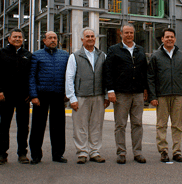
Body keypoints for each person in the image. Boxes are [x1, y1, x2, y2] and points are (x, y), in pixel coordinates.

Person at [103, 24, 149, 164]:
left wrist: (145, 89)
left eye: (131, 33)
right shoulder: (114, 50)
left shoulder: (140, 50)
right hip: (121, 93)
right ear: (121, 34)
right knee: (120, 124)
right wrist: (110, 90)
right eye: (126, 33)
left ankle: (137, 152)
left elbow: (144, 71)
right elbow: (108, 71)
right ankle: (121, 153)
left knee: (137, 124)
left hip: (138, 93)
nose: (129, 35)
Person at [147, 28, 182, 163]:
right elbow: (150, 77)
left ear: (175, 39)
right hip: (161, 96)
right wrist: (153, 96)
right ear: (162, 39)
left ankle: (177, 152)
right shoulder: (155, 56)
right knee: (161, 125)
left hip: (178, 95)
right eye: (167, 37)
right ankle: (163, 151)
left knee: (177, 125)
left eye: (172, 37)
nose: (169, 39)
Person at [65, 28, 109, 164]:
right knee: (80, 125)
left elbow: (107, 77)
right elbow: (69, 77)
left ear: (95, 39)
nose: (90, 38)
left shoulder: (103, 55)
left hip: (98, 96)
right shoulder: (75, 56)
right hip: (81, 96)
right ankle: (82, 152)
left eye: (92, 36)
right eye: (87, 36)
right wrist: (72, 98)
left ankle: (95, 152)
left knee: (96, 125)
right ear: (82, 39)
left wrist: (106, 95)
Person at [28, 31, 70, 164]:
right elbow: (31, 77)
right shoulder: (36, 55)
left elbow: (68, 76)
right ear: (44, 40)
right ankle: (35, 155)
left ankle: (58, 154)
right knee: (38, 126)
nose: (53, 40)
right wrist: (33, 95)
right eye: (50, 38)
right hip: (41, 95)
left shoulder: (65, 55)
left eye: (55, 38)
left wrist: (67, 93)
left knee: (58, 126)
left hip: (58, 94)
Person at [0, 29, 32, 165]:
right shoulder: (1, 54)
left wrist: (30, 93)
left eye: (20, 37)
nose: (17, 39)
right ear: (9, 39)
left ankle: (22, 153)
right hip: (6, 96)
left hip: (23, 97)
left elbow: (31, 76)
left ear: (23, 39)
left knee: (23, 126)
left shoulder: (28, 55)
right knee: (4, 126)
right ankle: (2, 154)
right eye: (15, 37)